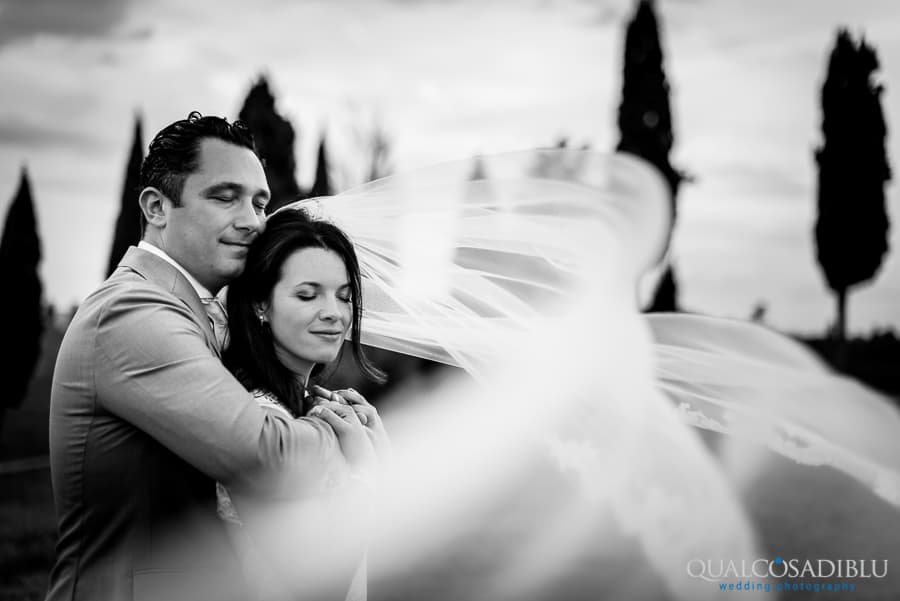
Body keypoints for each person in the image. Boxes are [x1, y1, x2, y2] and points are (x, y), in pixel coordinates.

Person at [46, 112, 377, 601]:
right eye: (225, 197)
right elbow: (266, 455)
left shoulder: (195, 314)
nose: (252, 221)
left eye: (259, 202)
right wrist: (344, 432)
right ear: (156, 207)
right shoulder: (130, 312)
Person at [220, 208, 391, 601]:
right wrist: (364, 473)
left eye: (344, 296)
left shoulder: (308, 409)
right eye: (307, 294)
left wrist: (377, 450)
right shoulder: (263, 421)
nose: (334, 312)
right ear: (261, 304)